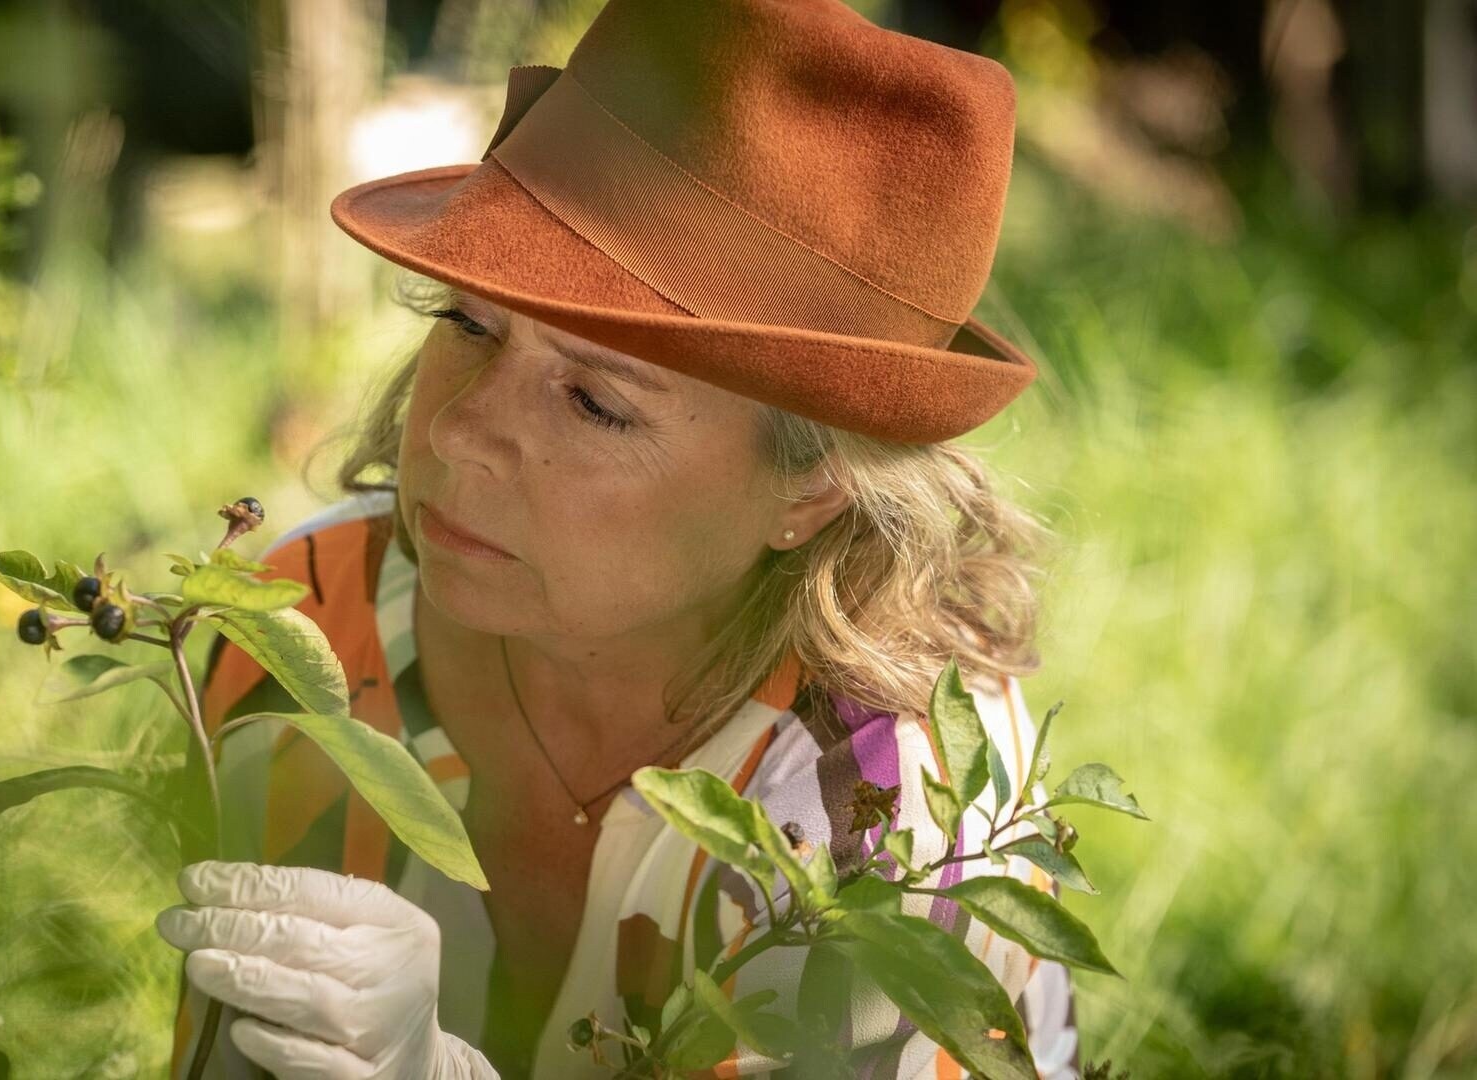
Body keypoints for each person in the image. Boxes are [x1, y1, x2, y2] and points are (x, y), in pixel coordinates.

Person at [157, 0, 1083, 1076]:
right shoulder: (304, 628)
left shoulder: (880, 821)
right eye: (467, 323)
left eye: (594, 403)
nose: (459, 431)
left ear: (814, 485)